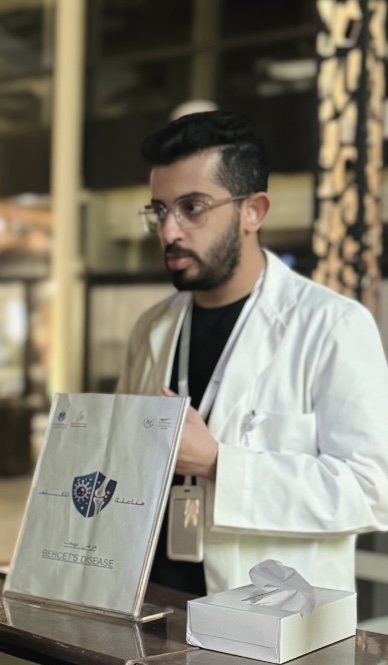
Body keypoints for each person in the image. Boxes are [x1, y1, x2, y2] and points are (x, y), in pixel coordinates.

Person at [117, 110, 388, 596]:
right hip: (150, 605)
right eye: (159, 210)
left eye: (192, 208)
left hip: (269, 619)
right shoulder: (151, 329)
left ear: (253, 211)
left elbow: (372, 489)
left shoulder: (332, 327)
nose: (169, 232)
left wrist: (218, 463)